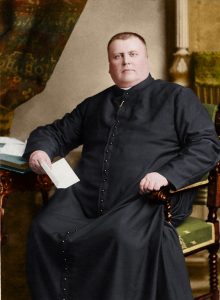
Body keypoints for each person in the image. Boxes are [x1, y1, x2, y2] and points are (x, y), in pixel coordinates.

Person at [24, 32, 220, 300]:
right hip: (86, 198)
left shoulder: (177, 97)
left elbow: (207, 145)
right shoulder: (94, 104)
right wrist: (40, 151)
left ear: (146, 58)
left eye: (132, 54)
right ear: (109, 64)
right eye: (117, 56)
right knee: (43, 228)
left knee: (119, 237)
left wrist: (165, 175)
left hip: (146, 199)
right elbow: (54, 133)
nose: (125, 61)